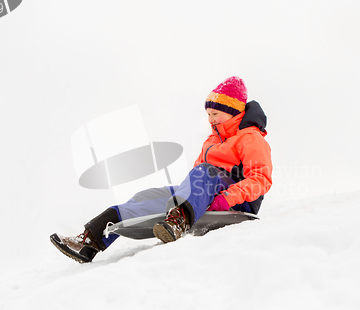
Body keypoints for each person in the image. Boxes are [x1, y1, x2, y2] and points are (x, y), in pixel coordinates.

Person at [50, 76, 273, 263]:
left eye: (215, 114)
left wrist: (225, 199)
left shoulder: (250, 138)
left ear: (234, 112)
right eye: (208, 114)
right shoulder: (212, 140)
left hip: (236, 201)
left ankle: (178, 221)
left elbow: (261, 180)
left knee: (205, 172)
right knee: (146, 196)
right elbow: (196, 177)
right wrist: (188, 194)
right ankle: (91, 240)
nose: (210, 119)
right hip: (204, 192)